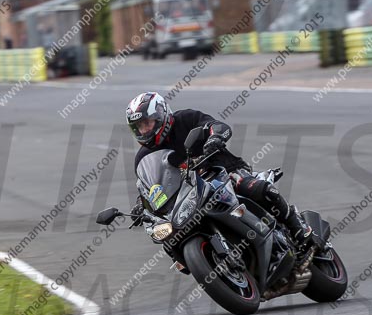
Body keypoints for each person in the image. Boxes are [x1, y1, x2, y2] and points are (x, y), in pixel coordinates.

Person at [126, 92, 312, 251]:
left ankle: (297, 226)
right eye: (139, 127)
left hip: (223, 170)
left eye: (147, 123)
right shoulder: (143, 157)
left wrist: (215, 137)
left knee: (253, 188)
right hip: (189, 194)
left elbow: (216, 125)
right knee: (169, 237)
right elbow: (149, 185)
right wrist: (141, 205)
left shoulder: (185, 119)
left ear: (160, 115)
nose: (144, 130)